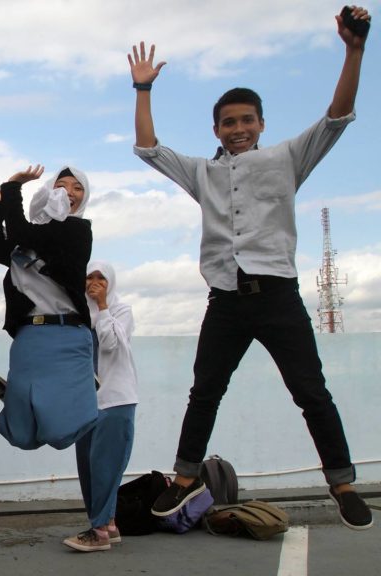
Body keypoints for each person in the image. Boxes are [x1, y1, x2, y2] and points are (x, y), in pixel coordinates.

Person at [129, 5, 373, 531]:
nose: (238, 129)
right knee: (205, 390)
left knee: (311, 391)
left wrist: (354, 51)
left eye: (246, 121)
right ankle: (186, 476)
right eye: (228, 123)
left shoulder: (287, 158)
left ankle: (343, 482)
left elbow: (337, 118)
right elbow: (148, 148)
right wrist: (143, 90)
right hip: (225, 300)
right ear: (215, 128)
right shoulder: (203, 173)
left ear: (261, 125)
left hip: (278, 296)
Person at [0, 165, 97, 451]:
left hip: (68, 334)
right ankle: (12, 396)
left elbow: (21, 230)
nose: (69, 192)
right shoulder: (26, 244)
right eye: (61, 185)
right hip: (29, 337)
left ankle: (85, 389)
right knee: (21, 437)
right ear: (47, 192)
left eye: (77, 188)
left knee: (61, 434)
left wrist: (13, 186)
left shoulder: (78, 231)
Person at [63, 260, 139, 552]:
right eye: (89, 278)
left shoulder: (121, 310)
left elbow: (109, 344)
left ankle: (98, 532)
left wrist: (103, 305)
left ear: (111, 283)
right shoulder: (78, 315)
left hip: (116, 399)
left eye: (101, 279)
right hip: (86, 401)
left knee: (106, 466)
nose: (94, 283)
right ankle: (108, 524)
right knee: (88, 467)